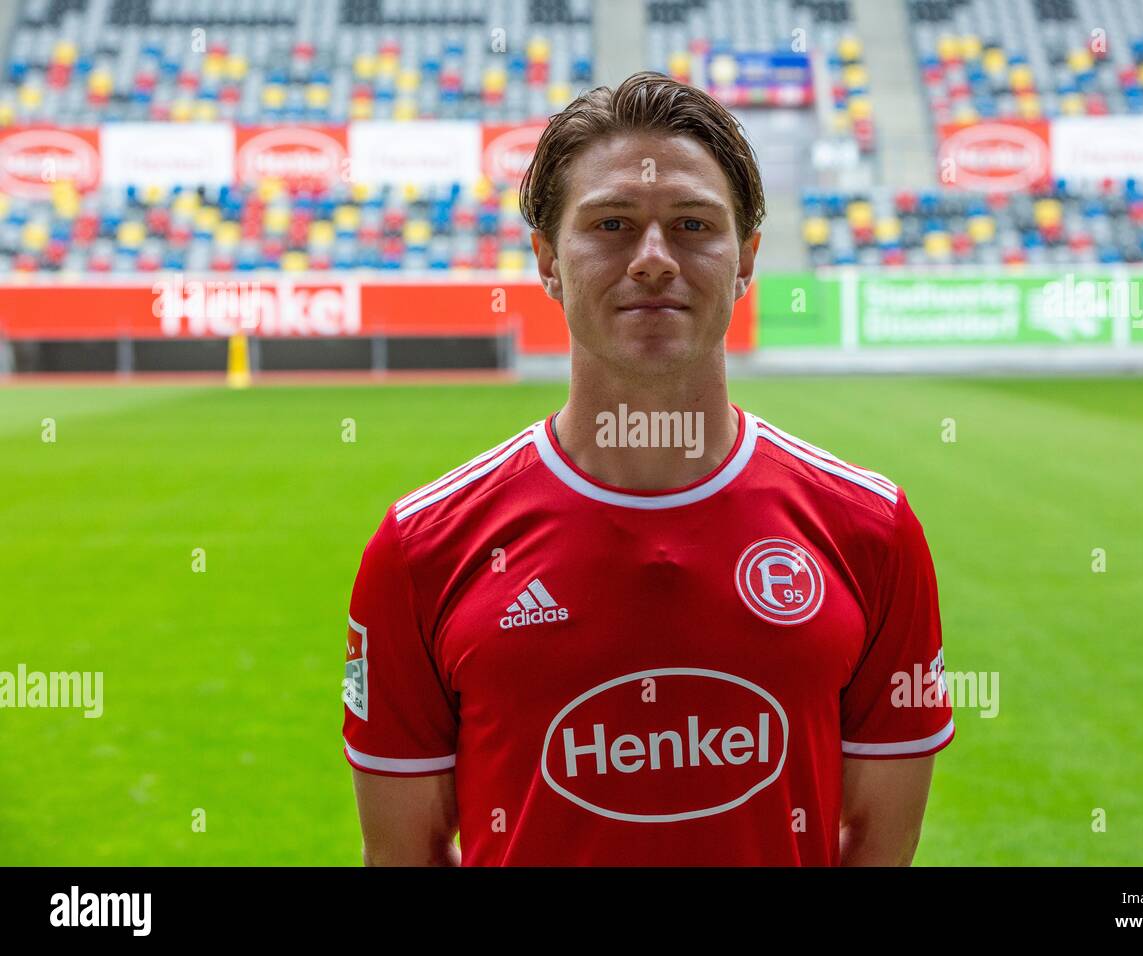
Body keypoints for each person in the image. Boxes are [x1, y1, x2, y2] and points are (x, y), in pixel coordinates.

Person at [343, 71, 953, 866]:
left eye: (695, 224)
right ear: (547, 260)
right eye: (612, 224)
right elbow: (404, 857)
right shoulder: (421, 549)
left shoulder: (872, 531)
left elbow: (878, 847)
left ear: (746, 259)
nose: (655, 259)